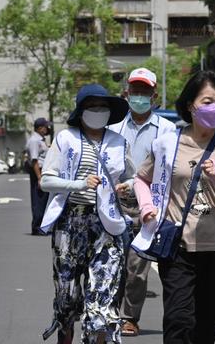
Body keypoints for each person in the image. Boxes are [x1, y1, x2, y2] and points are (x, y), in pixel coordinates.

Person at [131, 71, 215, 344]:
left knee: (207, 322)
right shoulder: (167, 142)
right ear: (191, 104)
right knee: (179, 320)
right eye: (208, 101)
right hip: (178, 247)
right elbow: (142, 179)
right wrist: (146, 208)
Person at [40, 83, 135, 344]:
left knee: (103, 296)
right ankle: (66, 336)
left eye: (103, 107)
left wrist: (128, 187)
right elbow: (46, 181)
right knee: (67, 297)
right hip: (70, 223)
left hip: (107, 225)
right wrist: (78, 185)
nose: (98, 111)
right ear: (81, 110)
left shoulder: (119, 143)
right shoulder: (65, 138)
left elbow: (135, 178)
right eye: (92, 106)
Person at [107, 67, 176, 336]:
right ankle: (109, 310)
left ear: (154, 95)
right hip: (114, 204)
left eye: (144, 91)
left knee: (137, 266)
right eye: (134, 90)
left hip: (148, 206)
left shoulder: (168, 130)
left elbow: (168, 170)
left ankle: (129, 317)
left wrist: (139, 186)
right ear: (126, 93)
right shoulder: (113, 129)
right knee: (113, 261)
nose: (138, 96)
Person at [26, 117, 51, 235]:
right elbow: (34, 161)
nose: (47, 129)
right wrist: (39, 178)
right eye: (46, 127)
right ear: (40, 128)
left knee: (44, 200)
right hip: (38, 172)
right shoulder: (34, 141)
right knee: (38, 200)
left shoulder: (40, 140)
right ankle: (37, 227)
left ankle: (42, 226)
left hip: (43, 171)